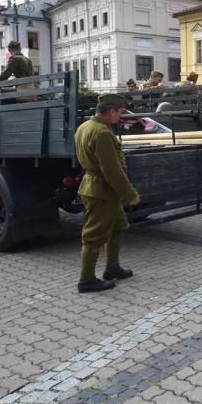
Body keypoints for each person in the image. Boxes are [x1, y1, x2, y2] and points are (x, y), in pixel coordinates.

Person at [74, 93, 140, 293]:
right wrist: (130, 194)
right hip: (101, 190)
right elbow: (111, 170)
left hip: (95, 187)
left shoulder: (84, 127)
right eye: (119, 112)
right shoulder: (102, 132)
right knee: (94, 236)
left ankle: (112, 268)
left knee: (118, 226)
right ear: (112, 111)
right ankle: (86, 281)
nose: (120, 117)